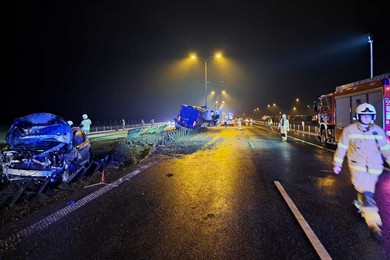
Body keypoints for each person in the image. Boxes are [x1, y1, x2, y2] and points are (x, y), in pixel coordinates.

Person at [333, 103, 390, 240]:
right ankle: (374, 223)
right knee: (367, 195)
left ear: (373, 116)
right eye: (363, 115)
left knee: (366, 191)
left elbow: (386, 150)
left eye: (369, 115)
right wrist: (337, 163)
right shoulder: (349, 130)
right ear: (358, 116)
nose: (366, 118)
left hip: (375, 169)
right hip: (357, 168)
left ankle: (360, 203)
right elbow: (342, 148)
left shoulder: (378, 131)